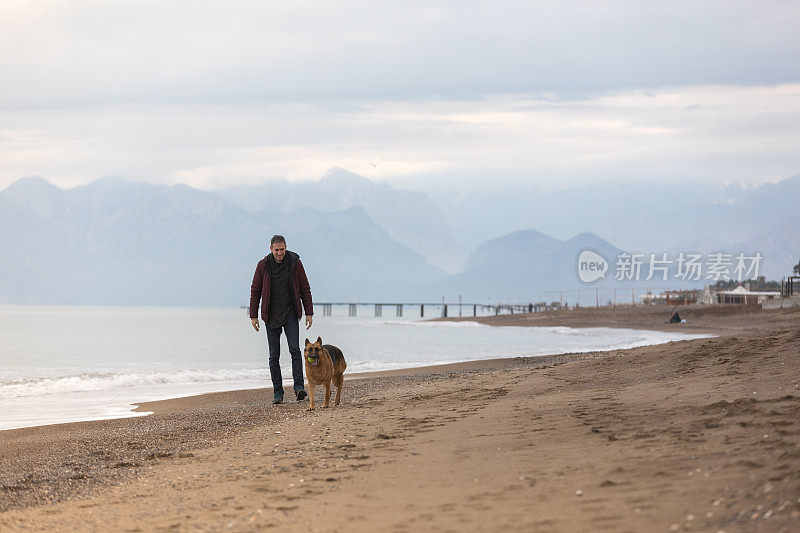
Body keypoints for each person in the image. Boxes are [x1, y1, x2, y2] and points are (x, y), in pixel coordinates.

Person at [250, 235, 314, 404]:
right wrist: (253, 315)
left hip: (291, 314)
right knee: (274, 356)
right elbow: (255, 290)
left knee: (295, 351)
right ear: (271, 249)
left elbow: (305, 288)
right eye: (276, 250)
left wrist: (309, 312)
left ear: (286, 247)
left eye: (282, 250)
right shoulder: (263, 265)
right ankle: (278, 393)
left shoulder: (295, 263)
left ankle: (299, 388)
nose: (279, 253)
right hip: (271, 316)